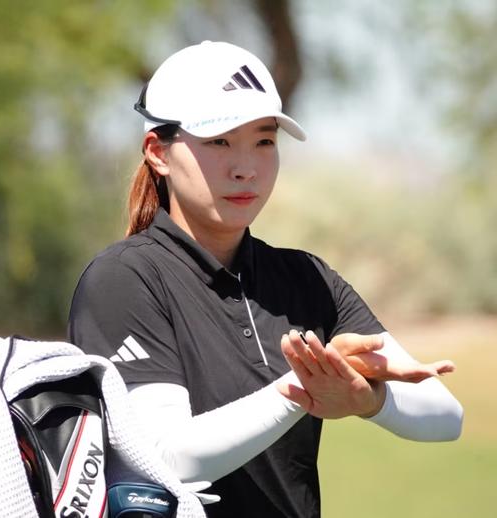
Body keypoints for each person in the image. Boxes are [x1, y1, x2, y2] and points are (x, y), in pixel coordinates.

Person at [68, 41, 463, 518]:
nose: (246, 168)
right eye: (219, 141)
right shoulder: (124, 279)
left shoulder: (306, 278)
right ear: (159, 153)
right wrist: (303, 389)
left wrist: (366, 398)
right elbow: (166, 458)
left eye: (264, 141)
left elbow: (446, 416)